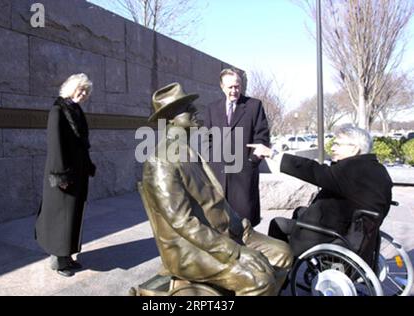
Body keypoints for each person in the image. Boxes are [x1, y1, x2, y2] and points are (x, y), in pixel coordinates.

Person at [140, 82, 292, 296]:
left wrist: (242, 228)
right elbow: (183, 223)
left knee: (282, 253)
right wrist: (235, 251)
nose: (195, 111)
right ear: (171, 118)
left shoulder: (188, 150)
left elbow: (213, 199)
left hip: (222, 233)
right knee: (259, 280)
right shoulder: (161, 161)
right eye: (187, 108)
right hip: (189, 250)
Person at [247, 125, 393, 265]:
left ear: (354, 149)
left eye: (337, 144)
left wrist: (272, 154)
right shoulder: (379, 170)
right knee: (299, 211)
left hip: (329, 234)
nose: (333, 148)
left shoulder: (351, 169)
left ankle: (279, 272)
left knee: (278, 223)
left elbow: (313, 170)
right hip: (356, 234)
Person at [35, 73, 96, 277]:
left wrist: (87, 165)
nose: (84, 94)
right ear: (71, 88)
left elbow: (81, 144)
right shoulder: (58, 111)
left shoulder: (75, 110)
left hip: (77, 174)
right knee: (62, 217)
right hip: (64, 175)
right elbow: (56, 146)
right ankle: (59, 261)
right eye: (81, 89)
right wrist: (61, 176)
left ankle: (67, 256)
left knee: (72, 216)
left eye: (87, 91)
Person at [203, 68, 270, 227]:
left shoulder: (254, 106)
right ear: (222, 86)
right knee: (219, 224)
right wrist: (211, 160)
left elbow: (262, 137)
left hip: (243, 176)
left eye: (237, 86)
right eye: (230, 87)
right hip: (218, 176)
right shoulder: (211, 109)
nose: (234, 90)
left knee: (244, 226)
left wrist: (251, 161)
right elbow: (206, 137)